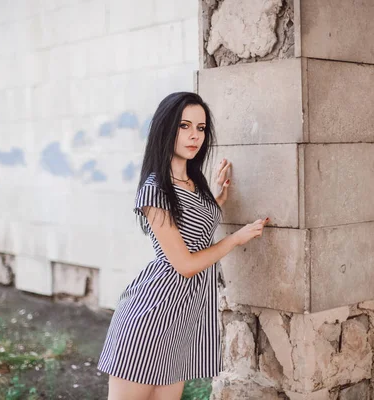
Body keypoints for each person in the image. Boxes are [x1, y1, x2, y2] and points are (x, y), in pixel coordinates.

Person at [97, 92, 269, 400]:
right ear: (166, 129)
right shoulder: (155, 191)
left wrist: (215, 199)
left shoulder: (194, 181)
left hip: (183, 320)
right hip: (151, 317)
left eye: (201, 128)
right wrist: (236, 238)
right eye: (184, 126)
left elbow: (194, 227)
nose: (195, 136)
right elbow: (185, 264)